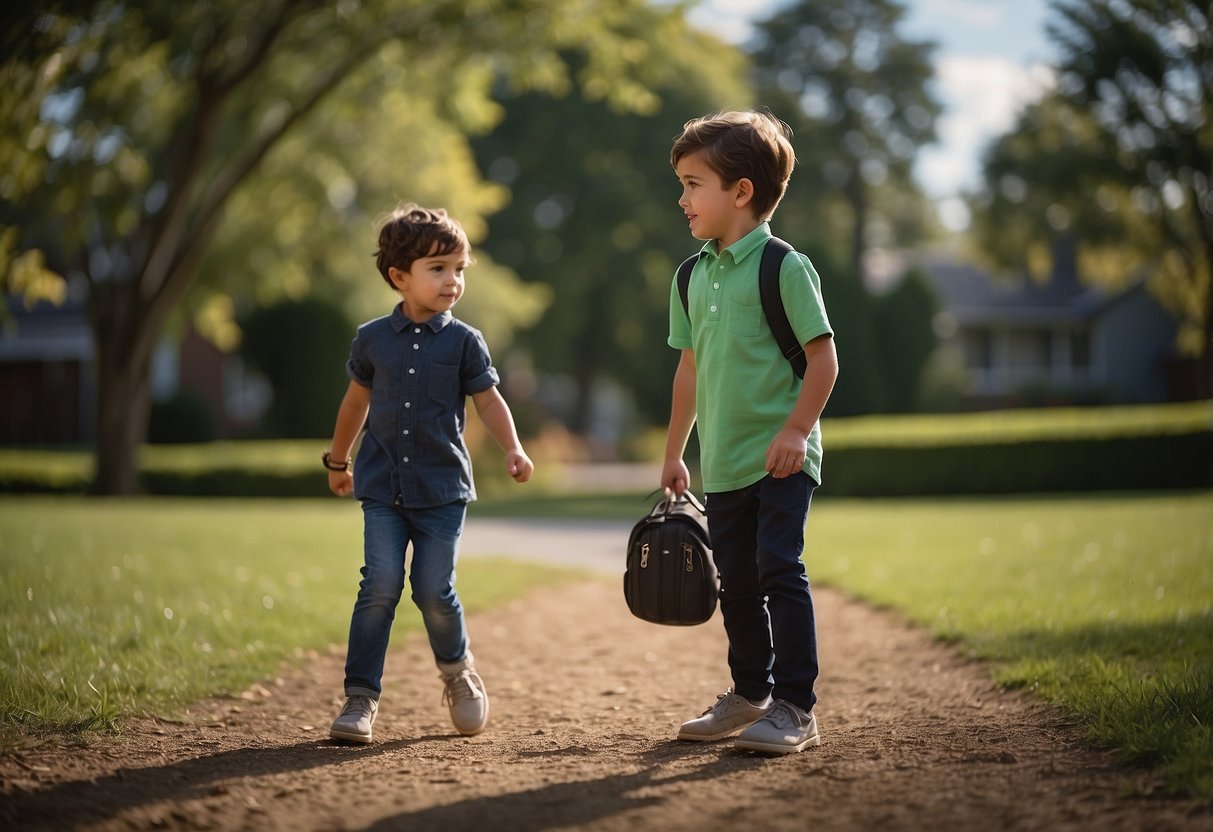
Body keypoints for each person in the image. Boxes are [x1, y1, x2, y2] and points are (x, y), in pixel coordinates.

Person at [661, 110, 838, 754]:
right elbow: (689, 370)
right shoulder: (689, 274)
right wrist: (676, 450)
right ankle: (750, 693)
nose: (682, 199)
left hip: (782, 458)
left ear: (740, 191)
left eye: (692, 184)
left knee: (777, 568)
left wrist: (797, 431)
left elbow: (823, 359)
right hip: (724, 462)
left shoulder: (785, 267)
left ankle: (795, 706)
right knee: (735, 579)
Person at [323, 204, 534, 744]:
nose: (453, 281)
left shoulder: (465, 341)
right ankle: (360, 698)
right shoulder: (372, 339)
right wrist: (338, 461)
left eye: (459, 269)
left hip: (442, 490)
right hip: (382, 486)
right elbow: (353, 406)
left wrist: (512, 447)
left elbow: (489, 403)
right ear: (400, 277)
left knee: (434, 590)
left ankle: (458, 673)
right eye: (439, 269)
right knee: (381, 585)